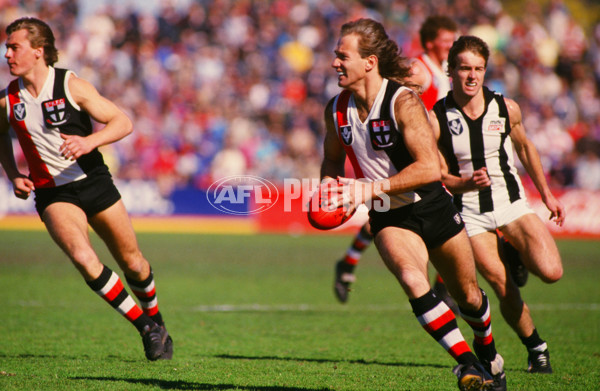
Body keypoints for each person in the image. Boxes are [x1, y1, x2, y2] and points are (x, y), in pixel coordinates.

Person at [322, 18, 505, 390]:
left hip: (433, 205)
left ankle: (487, 353)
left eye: (343, 55)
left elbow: (427, 169)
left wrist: (368, 189)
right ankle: (468, 365)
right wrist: (329, 188)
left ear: (369, 62)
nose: (335, 62)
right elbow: (331, 159)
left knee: (468, 296)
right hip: (390, 213)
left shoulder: (402, 101)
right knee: (411, 278)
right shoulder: (335, 110)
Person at [0, 17, 172, 361]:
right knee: (83, 257)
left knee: (134, 263)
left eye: (14, 46)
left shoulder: (71, 85)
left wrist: (89, 141)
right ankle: (146, 328)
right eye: (6, 47)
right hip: (53, 194)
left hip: (93, 182)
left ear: (39, 51)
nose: (7, 54)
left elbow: (123, 121)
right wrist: (13, 172)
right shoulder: (8, 99)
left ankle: (156, 316)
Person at [430, 35, 564, 374]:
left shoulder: (506, 107)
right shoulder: (438, 117)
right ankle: (537, 347)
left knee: (552, 272)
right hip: (470, 215)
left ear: (485, 70)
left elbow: (525, 147)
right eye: (464, 68)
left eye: (478, 68)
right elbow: (437, 172)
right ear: (451, 71)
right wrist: (463, 182)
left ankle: (513, 248)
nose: (472, 76)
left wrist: (546, 194)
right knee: (503, 286)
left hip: (511, 203)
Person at [333, 15, 459, 304]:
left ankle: (350, 263)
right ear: (430, 44)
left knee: (393, 215)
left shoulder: (445, 72)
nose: (452, 47)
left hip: (436, 153)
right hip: (414, 155)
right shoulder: (420, 70)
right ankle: (444, 289)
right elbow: (389, 95)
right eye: (447, 42)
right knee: (395, 216)